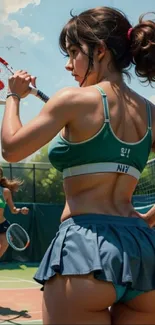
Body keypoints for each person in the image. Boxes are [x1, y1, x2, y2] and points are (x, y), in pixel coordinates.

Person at [1, 5, 155, 324]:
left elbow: (11, 148)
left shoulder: (73, 99)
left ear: (100, 50)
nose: (70, 65)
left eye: (74, 52)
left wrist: (14, 97)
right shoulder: (151, 112)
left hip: (84, 247)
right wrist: (148, 219)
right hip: (142, 251)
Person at [0, 167, 29, 258]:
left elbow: (13, 210)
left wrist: (21, 210)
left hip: (2, 224)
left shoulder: (5, 192)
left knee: (5, 243)